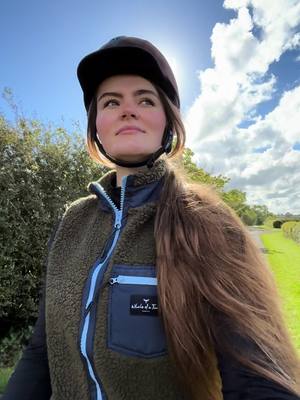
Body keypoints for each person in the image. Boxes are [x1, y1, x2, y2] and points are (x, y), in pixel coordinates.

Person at [3, 36, 300, 400]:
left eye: (145, 99)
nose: (128, 110)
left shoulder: (207, 224)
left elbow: (260, 380)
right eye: (111, 102)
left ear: (168, 122)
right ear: (97, 125)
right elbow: (40, 354)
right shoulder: (71, 222)